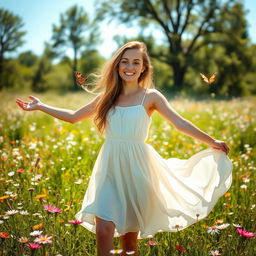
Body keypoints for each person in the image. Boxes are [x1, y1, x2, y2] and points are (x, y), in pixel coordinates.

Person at [16, 41, 232, 256]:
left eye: (136, 62)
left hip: (138, 170)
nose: (130, 67)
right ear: (118, 66)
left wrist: (211, 141)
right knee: (104, 229)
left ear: (143, 67)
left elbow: (180, 123)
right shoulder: (107, 97)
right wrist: (40, 106)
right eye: (125, 62)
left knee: (129, 244)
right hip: (109, 167)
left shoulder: (151, 97)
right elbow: (73, 117)